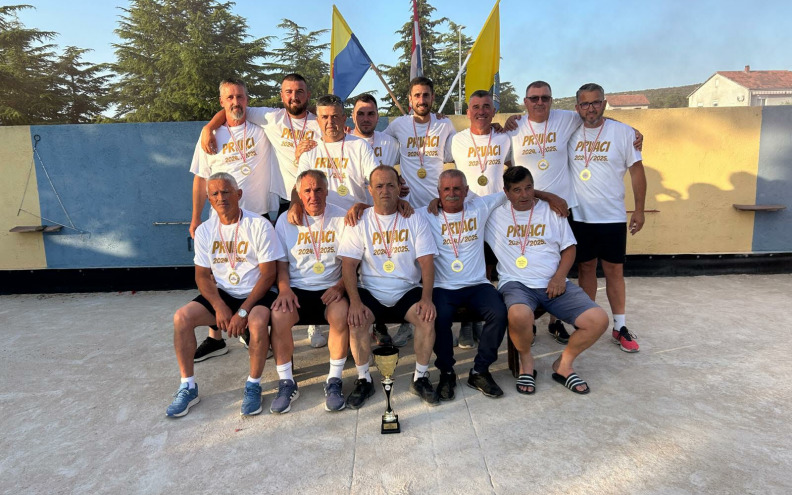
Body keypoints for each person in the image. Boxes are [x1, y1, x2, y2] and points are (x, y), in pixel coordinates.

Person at [506, 80, 643, 345]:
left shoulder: (565, 119)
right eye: (534, 98)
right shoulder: (514, 127)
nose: (539, 102)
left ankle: (562, 321)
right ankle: (529, 321)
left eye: (545, 98)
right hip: (528, 209)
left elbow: (595, 117)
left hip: (562, 210)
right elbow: (506, 166)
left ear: (552, 100)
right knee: (532, 263)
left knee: (564, 267)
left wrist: (632, 131)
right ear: (525, 102)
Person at [200, 74, 328, 348]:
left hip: (314, 198)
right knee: (289, 260)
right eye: (289, 91)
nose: (294, 96)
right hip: (284, 199)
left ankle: (315, 322)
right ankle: (265, 320)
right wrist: (209, 127)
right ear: (282, 95)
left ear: (308, 95)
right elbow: (234, 108)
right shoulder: (271, 118)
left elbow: (339, 131)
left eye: (300, 91)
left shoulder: (320, 122)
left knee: (318, 252)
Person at [166, 172, 284, 417]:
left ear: (238, 194)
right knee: (181, 318)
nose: (221, 198)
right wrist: (219, 305)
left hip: (257, 292)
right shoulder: (205, 231)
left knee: (257, 322)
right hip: (224, 293)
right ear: (209, 199)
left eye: (226, 192)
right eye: (215, 194)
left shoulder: (259, 225)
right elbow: (201, 276)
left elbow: (268, 275)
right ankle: (187, 386)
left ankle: (253, 384)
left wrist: (243, 311)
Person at [485, 166, 608, 395]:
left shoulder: (552, 211)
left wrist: (560, 277)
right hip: (516, 283)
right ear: (506, 192)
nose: (524, 195)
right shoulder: (494, 214)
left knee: (598, 320)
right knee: (519, 314)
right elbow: (460, 203)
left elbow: (569, 248)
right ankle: (526, 363)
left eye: (529, 188)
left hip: (554, 282)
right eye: (517, 190)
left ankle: (564, 365)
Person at [189, 78, 276, 362]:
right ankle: (216, 338)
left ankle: (252, 327)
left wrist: (209, 123)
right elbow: (201, 179)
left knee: (258, 274)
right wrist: (195, 218)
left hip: (257, 216)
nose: (236, 102)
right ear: (221, 102)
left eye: (240, 97)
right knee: (218, 274)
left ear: (247, 100)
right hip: (221, 220)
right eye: (230, 98)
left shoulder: (262, 130)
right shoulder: (210, 137)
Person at [338, 165, 440, 407]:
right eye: (379, 186)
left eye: (391, 185)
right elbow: (349, 265)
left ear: (399, 188)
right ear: (370, 190)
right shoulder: (360, 221)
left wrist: (427, 299)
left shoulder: (414, 219)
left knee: (427, 318)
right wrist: (355, 303)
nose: (385, 190)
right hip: (371, 291)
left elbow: (426, 262)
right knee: (356, 320)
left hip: (407, 290)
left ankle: (420, 378)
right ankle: (364, 379)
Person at [568, 83, 647, 353]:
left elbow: (637, 172)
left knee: (614, 271)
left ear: (604, 103)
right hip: (580, 215)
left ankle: (620, 326)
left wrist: (639, 209)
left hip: (612, 216)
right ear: (577, 107)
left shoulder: (624, 133)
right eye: (585, 103)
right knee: (586, 269)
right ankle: (587, 321)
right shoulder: (570, 129)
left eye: (595, 102)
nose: (590, 108)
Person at [421, 169, 509, 398]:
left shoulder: (479, 207)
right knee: (437, 317)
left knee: (499, 312)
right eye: (446, 189)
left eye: (457, 188)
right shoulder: (426, 214)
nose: (452, 193)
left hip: (477, 284)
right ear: (438, 192)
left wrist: (551, 197)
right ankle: (447, 372)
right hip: (443, 286)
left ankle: (480, 371)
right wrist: (359, 207)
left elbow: (510, 191)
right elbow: (395, 211)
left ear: (467, 191)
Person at [382, 77, 456, 347]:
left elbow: (459, 151)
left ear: (433, 98)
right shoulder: (397, 125)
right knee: (412, 265)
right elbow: (376, 144)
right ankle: (409, 322)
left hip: (438, 207)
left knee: (444, 262)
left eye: (426, 95)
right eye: (417, 95)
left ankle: (457, 321)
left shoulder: (445, 124)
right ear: (410, 99)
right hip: (409, 209)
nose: (422, 100)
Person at [271, 170, 350, 412]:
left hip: (332, 287)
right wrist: (284, 289)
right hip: (296, 289)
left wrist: (340, 286)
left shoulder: (341, 217)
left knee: (340, 315)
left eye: (318, 190)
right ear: (298, 193)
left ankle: (334, 380)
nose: (313, 195)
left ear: (327, 191)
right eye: (307, 190)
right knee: (279, 317)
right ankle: (287, 382)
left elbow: (351, 262)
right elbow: (281, 264)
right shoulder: (285, 220)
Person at [449, 89, 513, 348]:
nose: (481, 111)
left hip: (497, 215)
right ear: (467, 112)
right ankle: (467, 323)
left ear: (494, 111)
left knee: (489, 269)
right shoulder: (456, 140)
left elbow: (516, 168)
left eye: (486, 106)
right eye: (475, 107)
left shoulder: (505, 138)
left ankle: (486, 317)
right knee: (468, 268)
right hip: (467, 216)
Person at [296, 95, 377, 211]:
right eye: (325, 117)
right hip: (324, 217)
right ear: (318, 121)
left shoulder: (360, 145)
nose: (330, 122)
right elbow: (301, 187)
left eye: (335, 116)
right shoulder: (309, 150)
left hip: (355, 216)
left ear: (344, 118)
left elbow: (377, 180)